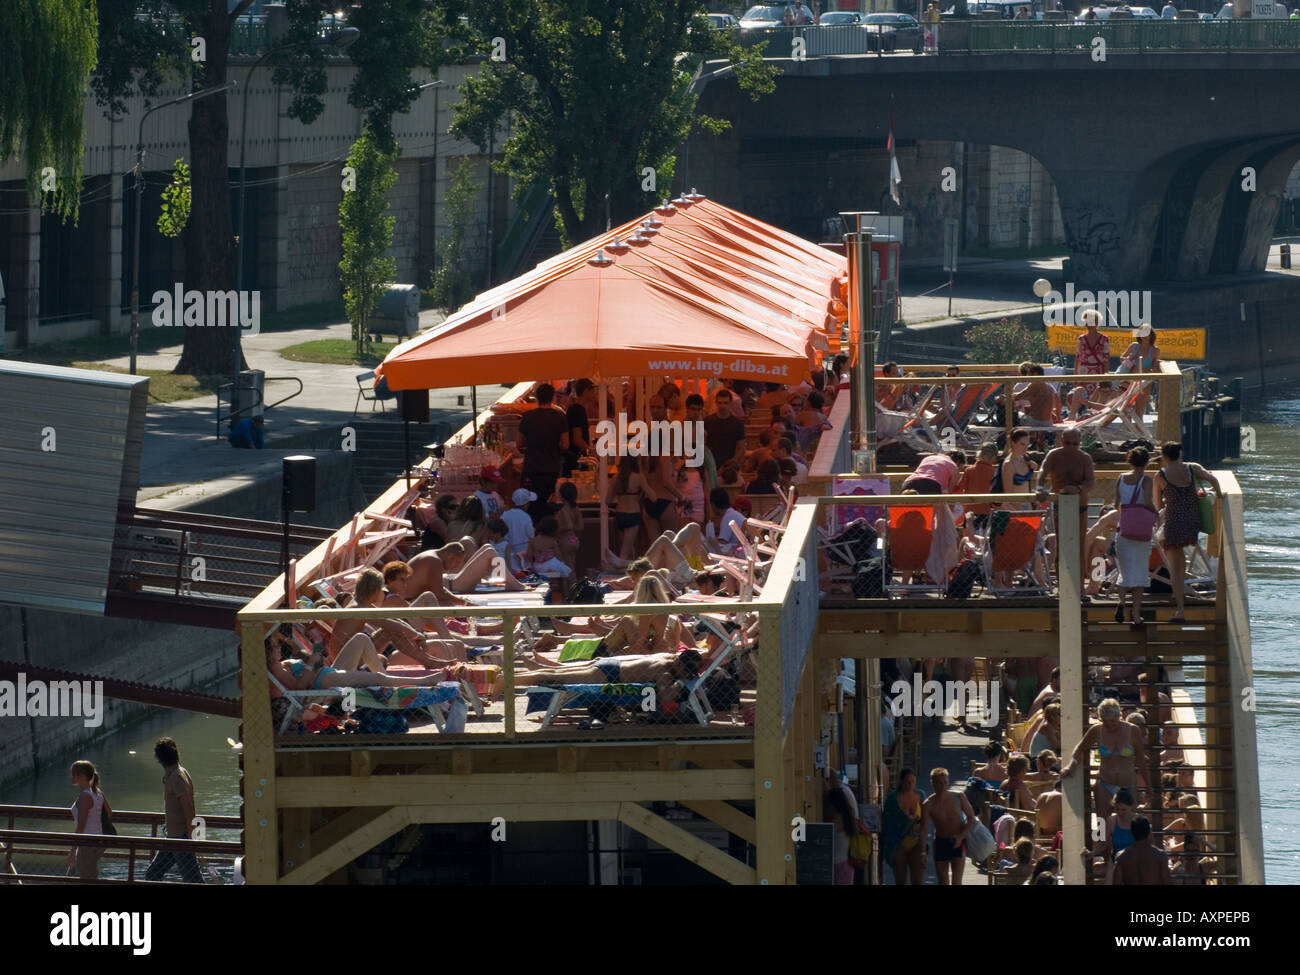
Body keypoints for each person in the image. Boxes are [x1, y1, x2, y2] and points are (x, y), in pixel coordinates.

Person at [1154, 441, 1220, 622]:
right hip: (1192, 523)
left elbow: (1158, 506)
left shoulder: (1160, 475)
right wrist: (1219, 495)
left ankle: (1180, 610)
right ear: (1180, 454)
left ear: (1165, 456)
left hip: (1174, 523)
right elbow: (1213, 480)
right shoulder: (1192, 468)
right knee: (1181, 562)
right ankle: (1180, 592)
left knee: (1175, 568)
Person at [1061, 698, 1147, 819]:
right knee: (1102, 821)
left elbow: (1141, 760)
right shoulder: (1097, 730)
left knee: (1132, 822)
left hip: (1128, 784)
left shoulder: (1133, 730)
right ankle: (1101, 838)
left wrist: (1148, 786)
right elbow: (1080, 748)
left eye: (1112, 721)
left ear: (1119, 717)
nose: (1109, 724)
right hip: (1105, 784)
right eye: (1105, 721)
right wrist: (1071, 765)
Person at [1036, 427, 1096, 578]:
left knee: (1079, 547)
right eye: (1068, 443)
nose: (1071, 447)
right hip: (1059, 506)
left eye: (1075, 444)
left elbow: (1091, 481)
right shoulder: (1054, 455)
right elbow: (1042, 474)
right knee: (1060, 547)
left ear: (1080, 443)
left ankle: (1081, 587)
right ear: (1061, 441)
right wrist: (1040, 489)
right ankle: (1063, 584)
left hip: (1079, 507)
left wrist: (1078, 488)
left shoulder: (1085, 458)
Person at [144, 738, 204, 883]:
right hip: (173, 837)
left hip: (181, 838)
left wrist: (191, 836)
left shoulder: (176, 777)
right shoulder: (178, 773)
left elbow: (187, 806)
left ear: (159, 759)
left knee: (193, 879)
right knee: (152, 874)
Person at [1114, 446, 1157, 625]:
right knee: (1139, 574)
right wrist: (1156, 513)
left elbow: (1117, 504)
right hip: (1141, 533)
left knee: (1124, 571)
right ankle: (1136, 615)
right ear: (1147, 462)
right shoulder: (1146, 480)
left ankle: (1122, 602)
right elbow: (1147, 501)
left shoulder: (1121, 478)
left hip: (1124, 530)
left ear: (1129, 461)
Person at [517, 383, 570, 519]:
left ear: (536, 397)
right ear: (552, 398)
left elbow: (519, 444)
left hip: (531, 467)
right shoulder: (559, 417)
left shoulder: (528, 416)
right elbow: (565, 444)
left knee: (531, 505)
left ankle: (533, 532)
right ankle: (547, 533)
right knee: (548, 505)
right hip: (551, 468)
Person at [921, 767, 975, 885]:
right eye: (939, 783)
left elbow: (971, 818)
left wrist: (961, 837)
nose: (943, 786)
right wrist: (923, 852)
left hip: (958, 841)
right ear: (933, 783)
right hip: (940, 842)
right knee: (943, 882)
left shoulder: (959, 796)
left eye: (945, 782)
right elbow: (924, 829)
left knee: (957, 882)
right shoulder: (928, 804)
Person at [882, 767, 926, 885]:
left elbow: (926, 820)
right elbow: (887, 822)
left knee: (918, 881)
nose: (910, 784)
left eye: (913, 781)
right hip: (898, 843)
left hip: (916, 842)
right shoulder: (892, 799)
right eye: (907, 781)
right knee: (900, 881)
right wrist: (906, 821)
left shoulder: (921, 795)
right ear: (901, 781)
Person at [68, 760, 110, 880]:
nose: (71, 777)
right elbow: (109, 812)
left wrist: (73, 850)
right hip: (98, 840)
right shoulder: (98, 793)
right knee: (90, 875)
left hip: (87, 843)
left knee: (85, 877)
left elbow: (81, 825)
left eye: (73, 774)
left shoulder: (85, 796)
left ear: (81, 776)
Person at [1069, 308, 1111, 418]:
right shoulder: (1081, 339)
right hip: (1083, 372)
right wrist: (1075, 376)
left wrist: (1106, 377)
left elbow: (1106, 359)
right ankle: (1080, 417)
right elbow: (1077, 358)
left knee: (1096, 395)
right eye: (1086, 321)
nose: (1087, 324)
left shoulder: (1104, 339)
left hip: (1098, 372)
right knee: (1081, 395)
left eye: (1090, 321)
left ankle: (1093, 417)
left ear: (1096, 323)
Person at [1112, 815, 1171, 885]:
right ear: (1149, 832)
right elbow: (1166, 881)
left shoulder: (1121, 857)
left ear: (1131, 831)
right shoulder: (1160, 856)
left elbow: (1116, 882)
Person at [609, 455, 647, 561]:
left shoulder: (616, 478)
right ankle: (620, 574)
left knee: (629, 549)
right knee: (625, 551)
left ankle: (633, 574)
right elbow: (652, 496)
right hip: (633, 515)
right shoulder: (638, 477)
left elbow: (607, 500)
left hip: (620, 514)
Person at [957, 442, 998, 535]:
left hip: (969, 511)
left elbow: (960, 488)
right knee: (983, 542)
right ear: (994, 457)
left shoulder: (969, 470)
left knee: (967, 540)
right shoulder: (994, 472)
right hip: (986, 511)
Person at [825, 779, 860, 885]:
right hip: (844, 864)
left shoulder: (837, 818)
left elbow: (825, 835)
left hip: (838, 866)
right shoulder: (846, 816)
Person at [704, 388, 748, 470]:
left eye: (725, 403)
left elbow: (742, 446)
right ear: (716, 403)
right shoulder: (707, 421)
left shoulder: (737, 423)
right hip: (710, 464)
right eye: (720, 403)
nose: (722, 406)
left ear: (730, 403)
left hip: (729, 466)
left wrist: (734, 460)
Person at [564, 379, 595, 474]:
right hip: (576, 460)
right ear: (586, 391)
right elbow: (577, 439)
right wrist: (591, 451)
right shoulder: (578, 411)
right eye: (592, 392)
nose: (594, 394)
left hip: (572, 458)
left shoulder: (576, 409)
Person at [555, 481, 585, 574]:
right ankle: (573, 586)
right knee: (572, 566)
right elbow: (580, 526)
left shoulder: (564, 510)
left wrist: (557, 530)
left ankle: (570, 588)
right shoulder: (576, 509)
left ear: (562, 495)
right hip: (574, 540)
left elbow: (569, 525)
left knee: (567, 569)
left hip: (565, 540)